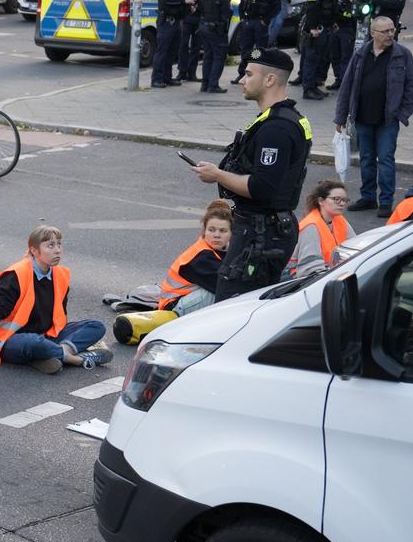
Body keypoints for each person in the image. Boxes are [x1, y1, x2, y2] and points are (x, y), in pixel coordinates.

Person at [193, 48, 312, 297]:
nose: (241, 81)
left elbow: (262, 187)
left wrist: (217, 175)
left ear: (269, 80)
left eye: (248, 74)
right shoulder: (280, 119)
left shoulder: (276, 129)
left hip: (261, 237)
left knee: (231, 308)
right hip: (266, 231)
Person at [0, 226, 111, 372]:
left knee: (96, 326)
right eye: (50, 246)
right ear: (34, 250)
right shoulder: (15, 276)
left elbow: (59, 318)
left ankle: (52, 355)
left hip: (45, 336)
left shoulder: (60, 275)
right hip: (9, 339)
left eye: (59, 244)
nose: (57, 250)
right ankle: (75, 359)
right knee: (34, 343)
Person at [110, 204, 232, 345]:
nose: (217, 235)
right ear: (204, 231)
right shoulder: (201, 256)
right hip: (173, 307)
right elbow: (224, 286)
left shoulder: (223, 250)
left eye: (223, 231)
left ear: (231, 233)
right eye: (212, 230)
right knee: (223, 291)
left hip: (185, 299)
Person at [334, 15, 413, 214]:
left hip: (388, 119)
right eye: (385, 31)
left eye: (392, 30)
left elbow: (410, 86)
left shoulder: (402, 54)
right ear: (373, 33)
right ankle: (368, 197)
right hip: (362, 117)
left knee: (386, 158)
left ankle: (386, 201)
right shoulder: (361, 54)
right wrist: (340, 116)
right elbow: (347, 86)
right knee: (366, 158)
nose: (390, 34)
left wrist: (403, 113)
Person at [286, 179, 351, 280]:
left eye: (344, 200)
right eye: (337, 199)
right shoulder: (311, 227)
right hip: (301, 279)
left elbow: (356, 246)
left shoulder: (339, 220)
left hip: (329, 272)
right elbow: (310, 269)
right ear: (321, 201)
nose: (342, 203)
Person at [299, 0, 338, 101]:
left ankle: (314, 86)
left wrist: (333, 23)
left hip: (326, 28)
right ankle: (308, 89)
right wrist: (312, 28)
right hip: (317, 30)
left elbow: (330, 8)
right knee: (312, 59)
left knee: (319, 59)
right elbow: (312, 10)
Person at [235, 0, 282, 73]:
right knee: (245, 48)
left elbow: (277, 7)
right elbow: (242, 3)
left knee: (259, 50)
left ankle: (255, 72)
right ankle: (243, 72)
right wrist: (242, 19)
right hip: (248, 22)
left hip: (260, 23)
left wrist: (265, 20)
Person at [152, 0, 192, 88]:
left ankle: (167, 78)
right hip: (167, 21)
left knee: (172, 52)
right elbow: (166, 0)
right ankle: (156, 79)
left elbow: (182, 1)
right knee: (162, 51)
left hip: (177, 22)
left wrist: (189, 7)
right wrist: (184, 1)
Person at [197, 0, 234, 94]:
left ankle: (205, 84)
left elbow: (200, 11)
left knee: (208, 57)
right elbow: (226, 14)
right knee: (218, 58)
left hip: (204, 28)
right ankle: (213, 85)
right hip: (217, 31)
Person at [178, 0, 213, 85]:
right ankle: (181, 72)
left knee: (196, 47)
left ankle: (192, 73)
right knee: (183, 45)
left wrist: (199, 6)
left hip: (201, 18)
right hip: (187, 17)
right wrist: (190, 5)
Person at [328, 0, 358, 88]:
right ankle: (338, 79)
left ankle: (345, 82)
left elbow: (353, 13)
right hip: (336, 27)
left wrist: (341, 15)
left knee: (346, 56)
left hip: (348, 28)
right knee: (334, 55)